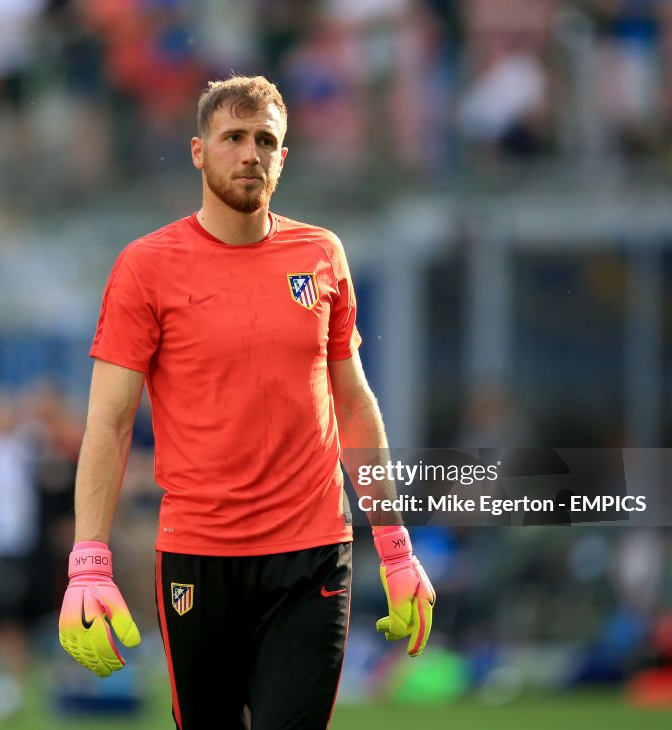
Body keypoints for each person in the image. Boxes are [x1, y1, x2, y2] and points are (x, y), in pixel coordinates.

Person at [58, 75, 435, 728]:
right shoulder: (146, 267)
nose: (250, 154)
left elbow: (353, 401)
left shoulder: (322, 255)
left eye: (266, 140)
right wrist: (89, 562)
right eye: (233, 137)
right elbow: (111, 422)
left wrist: (396, 544)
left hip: (313, 554)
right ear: (199, 150)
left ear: (283, 157)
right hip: (199, 556)